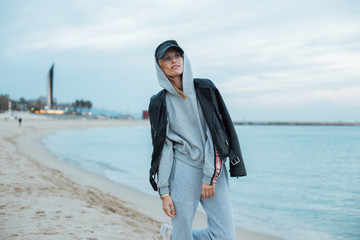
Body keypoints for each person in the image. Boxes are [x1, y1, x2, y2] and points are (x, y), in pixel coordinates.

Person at [148, 40, 247, 240]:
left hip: (213, 170)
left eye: (177, 55)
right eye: (167, 58)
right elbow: (165, 149)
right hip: (181, 170)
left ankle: (171, 236)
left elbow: (216, 134)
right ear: (160, 66)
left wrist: (209, 176)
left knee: (224, 236)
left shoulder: (205, 88)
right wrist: (164, 193)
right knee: (183, 235)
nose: (174, 60)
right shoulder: (158, 103)